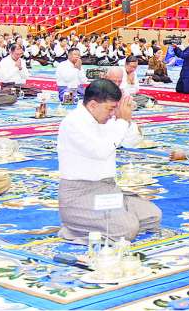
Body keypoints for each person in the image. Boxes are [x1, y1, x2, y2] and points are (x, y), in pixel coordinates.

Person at [56, 80, 160, 243]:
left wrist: (127, 119)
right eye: (110, 109)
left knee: (153, 216)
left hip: (108, 190)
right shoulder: (73, 123)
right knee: (126, 230)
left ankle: (109, 219)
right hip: (80, 194)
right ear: (92, 105)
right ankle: (72, 229)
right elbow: (101, 151)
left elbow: (131, 142)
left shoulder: (106, 118)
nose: (112, 114)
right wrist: (122, 122)